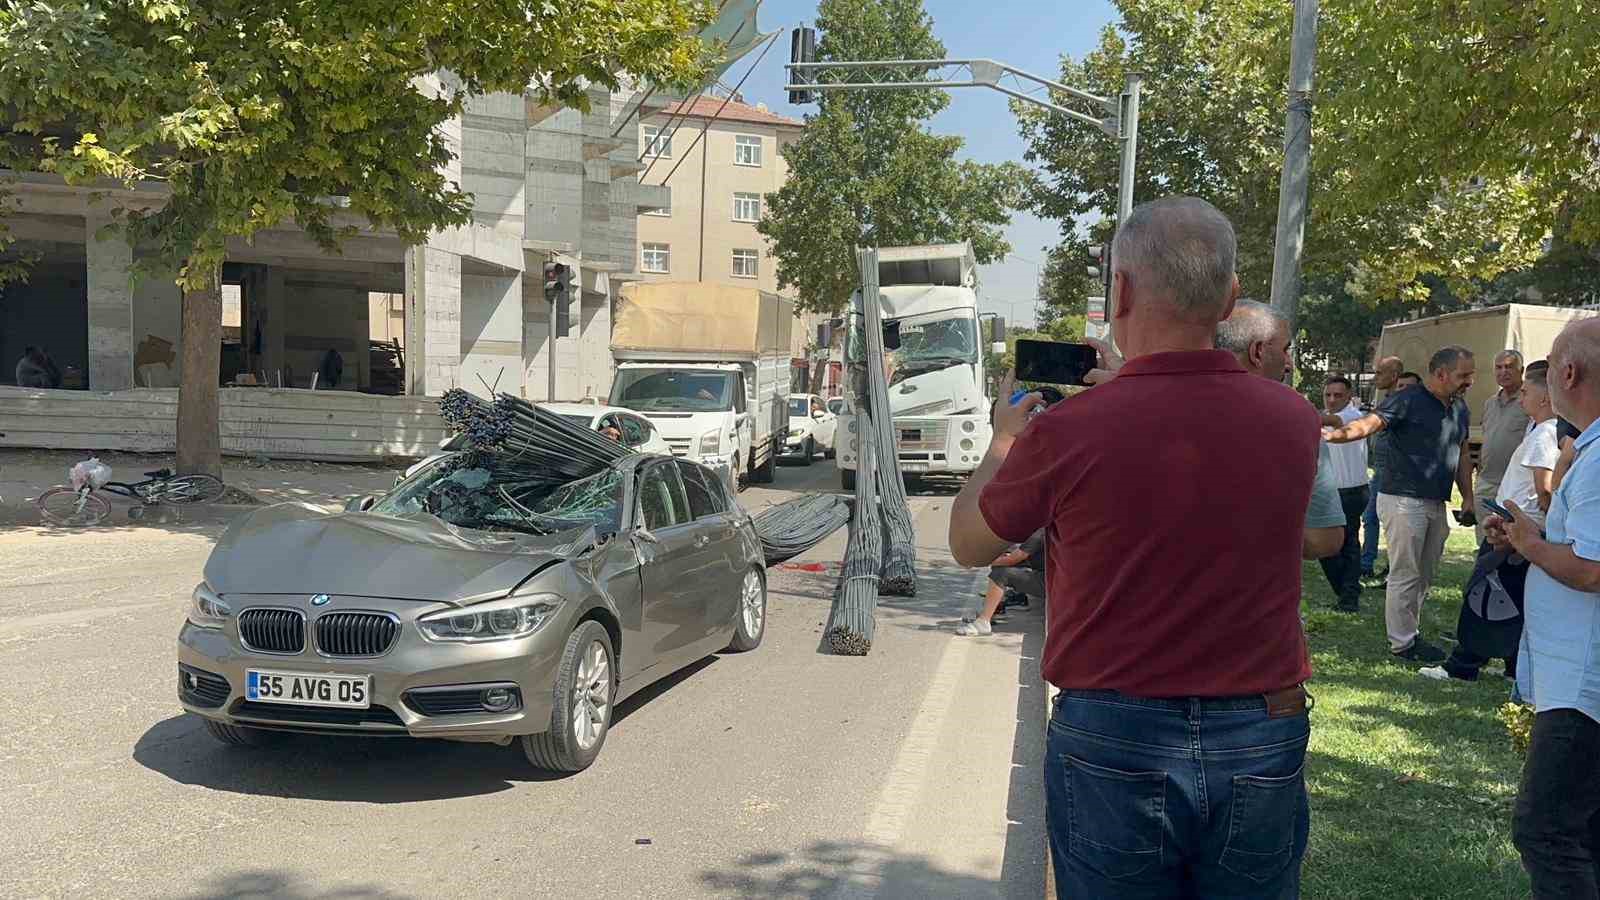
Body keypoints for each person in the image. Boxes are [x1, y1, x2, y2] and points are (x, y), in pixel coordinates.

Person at [950, 196, 1317, 898]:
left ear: (1120, 291)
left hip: (1115, 733)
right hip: (1259, 728)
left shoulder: (1072, 430)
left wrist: (1004, 438)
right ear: (1230, 298)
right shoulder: (1295, 419)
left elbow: (971, 543)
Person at [1486, 320, 1600, 898]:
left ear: (1569, 373)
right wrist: (1530, 536)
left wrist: (1531, 544)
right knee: (1584, 830)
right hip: (1576, 677)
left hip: (1584, 686)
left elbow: (1594, 569)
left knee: (1546, 830)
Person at [1325, 346, 1476, 662]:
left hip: (1436, 502)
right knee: (1406, 572)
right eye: (1464, 375)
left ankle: (1411, 631)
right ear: (1441, 374)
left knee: (1424, 574)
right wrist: (1331, 436)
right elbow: (1370, 424)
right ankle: (1403, 643)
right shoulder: (1408, 399)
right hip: (1403, 499)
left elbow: (1462, 455)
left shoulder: (1460, 409)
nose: (1470, 381)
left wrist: (1469, 498)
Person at [1423, 360, 1557, 683]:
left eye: (1527, 391)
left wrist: (1524, 527)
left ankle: (1463, 663)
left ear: (1545, 399)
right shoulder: (1537, 429)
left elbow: (1545, 490)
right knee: (1512, 598)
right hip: (1513, 527)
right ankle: (1514, 667)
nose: (1520, 396)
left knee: (1481, 593)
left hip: (1514, 531)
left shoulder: (1545, 434)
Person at [1212, 299, 1345, 561]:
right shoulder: (1297, 419)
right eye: (1285, 350)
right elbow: (1324, 539)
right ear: (1258, 351)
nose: (1289, 364)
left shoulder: (1156, 406)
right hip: (1258, 592)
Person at [1319, 374, 1372, 610]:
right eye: (1328, 395)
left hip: (1351, 491)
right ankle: (1348, 589)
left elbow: (1334, 421)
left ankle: (1348, 595)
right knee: (1331, 545)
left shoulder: (1352, 415)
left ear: (1349, 397)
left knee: (1344, 544)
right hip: (1333, 491)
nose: (1331, 399)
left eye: (1337, 395)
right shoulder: (1328, 418)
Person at [1361, 364, 1419, 578]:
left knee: (1393, 524)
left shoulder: (1404, 408)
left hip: (1396, 471)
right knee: (1371, 518)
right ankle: (1367, 564)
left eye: (1379, 373)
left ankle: (1389, 568)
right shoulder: (1385, 401)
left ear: (1392, 375)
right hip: (1379, 468)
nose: (1375, 377)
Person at [1475, 350, 1531, 543]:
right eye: (1499, 367)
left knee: (1509, 541)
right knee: (1484, 539)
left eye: (1509, 367)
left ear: (1521, 370)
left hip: (1514, 484)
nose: (1503, 372)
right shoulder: (1490, 403)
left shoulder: (1528, 401)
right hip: (1486, 481)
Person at [955, 529, 1045, 636]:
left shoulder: (1041, 532)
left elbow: (1013, 559)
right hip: (1053, 580)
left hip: (1050, 584)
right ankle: (994, 610)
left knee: (1001, 574)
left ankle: (984, 622)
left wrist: (978, 562)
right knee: (1003, 564)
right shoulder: (1050, 529)